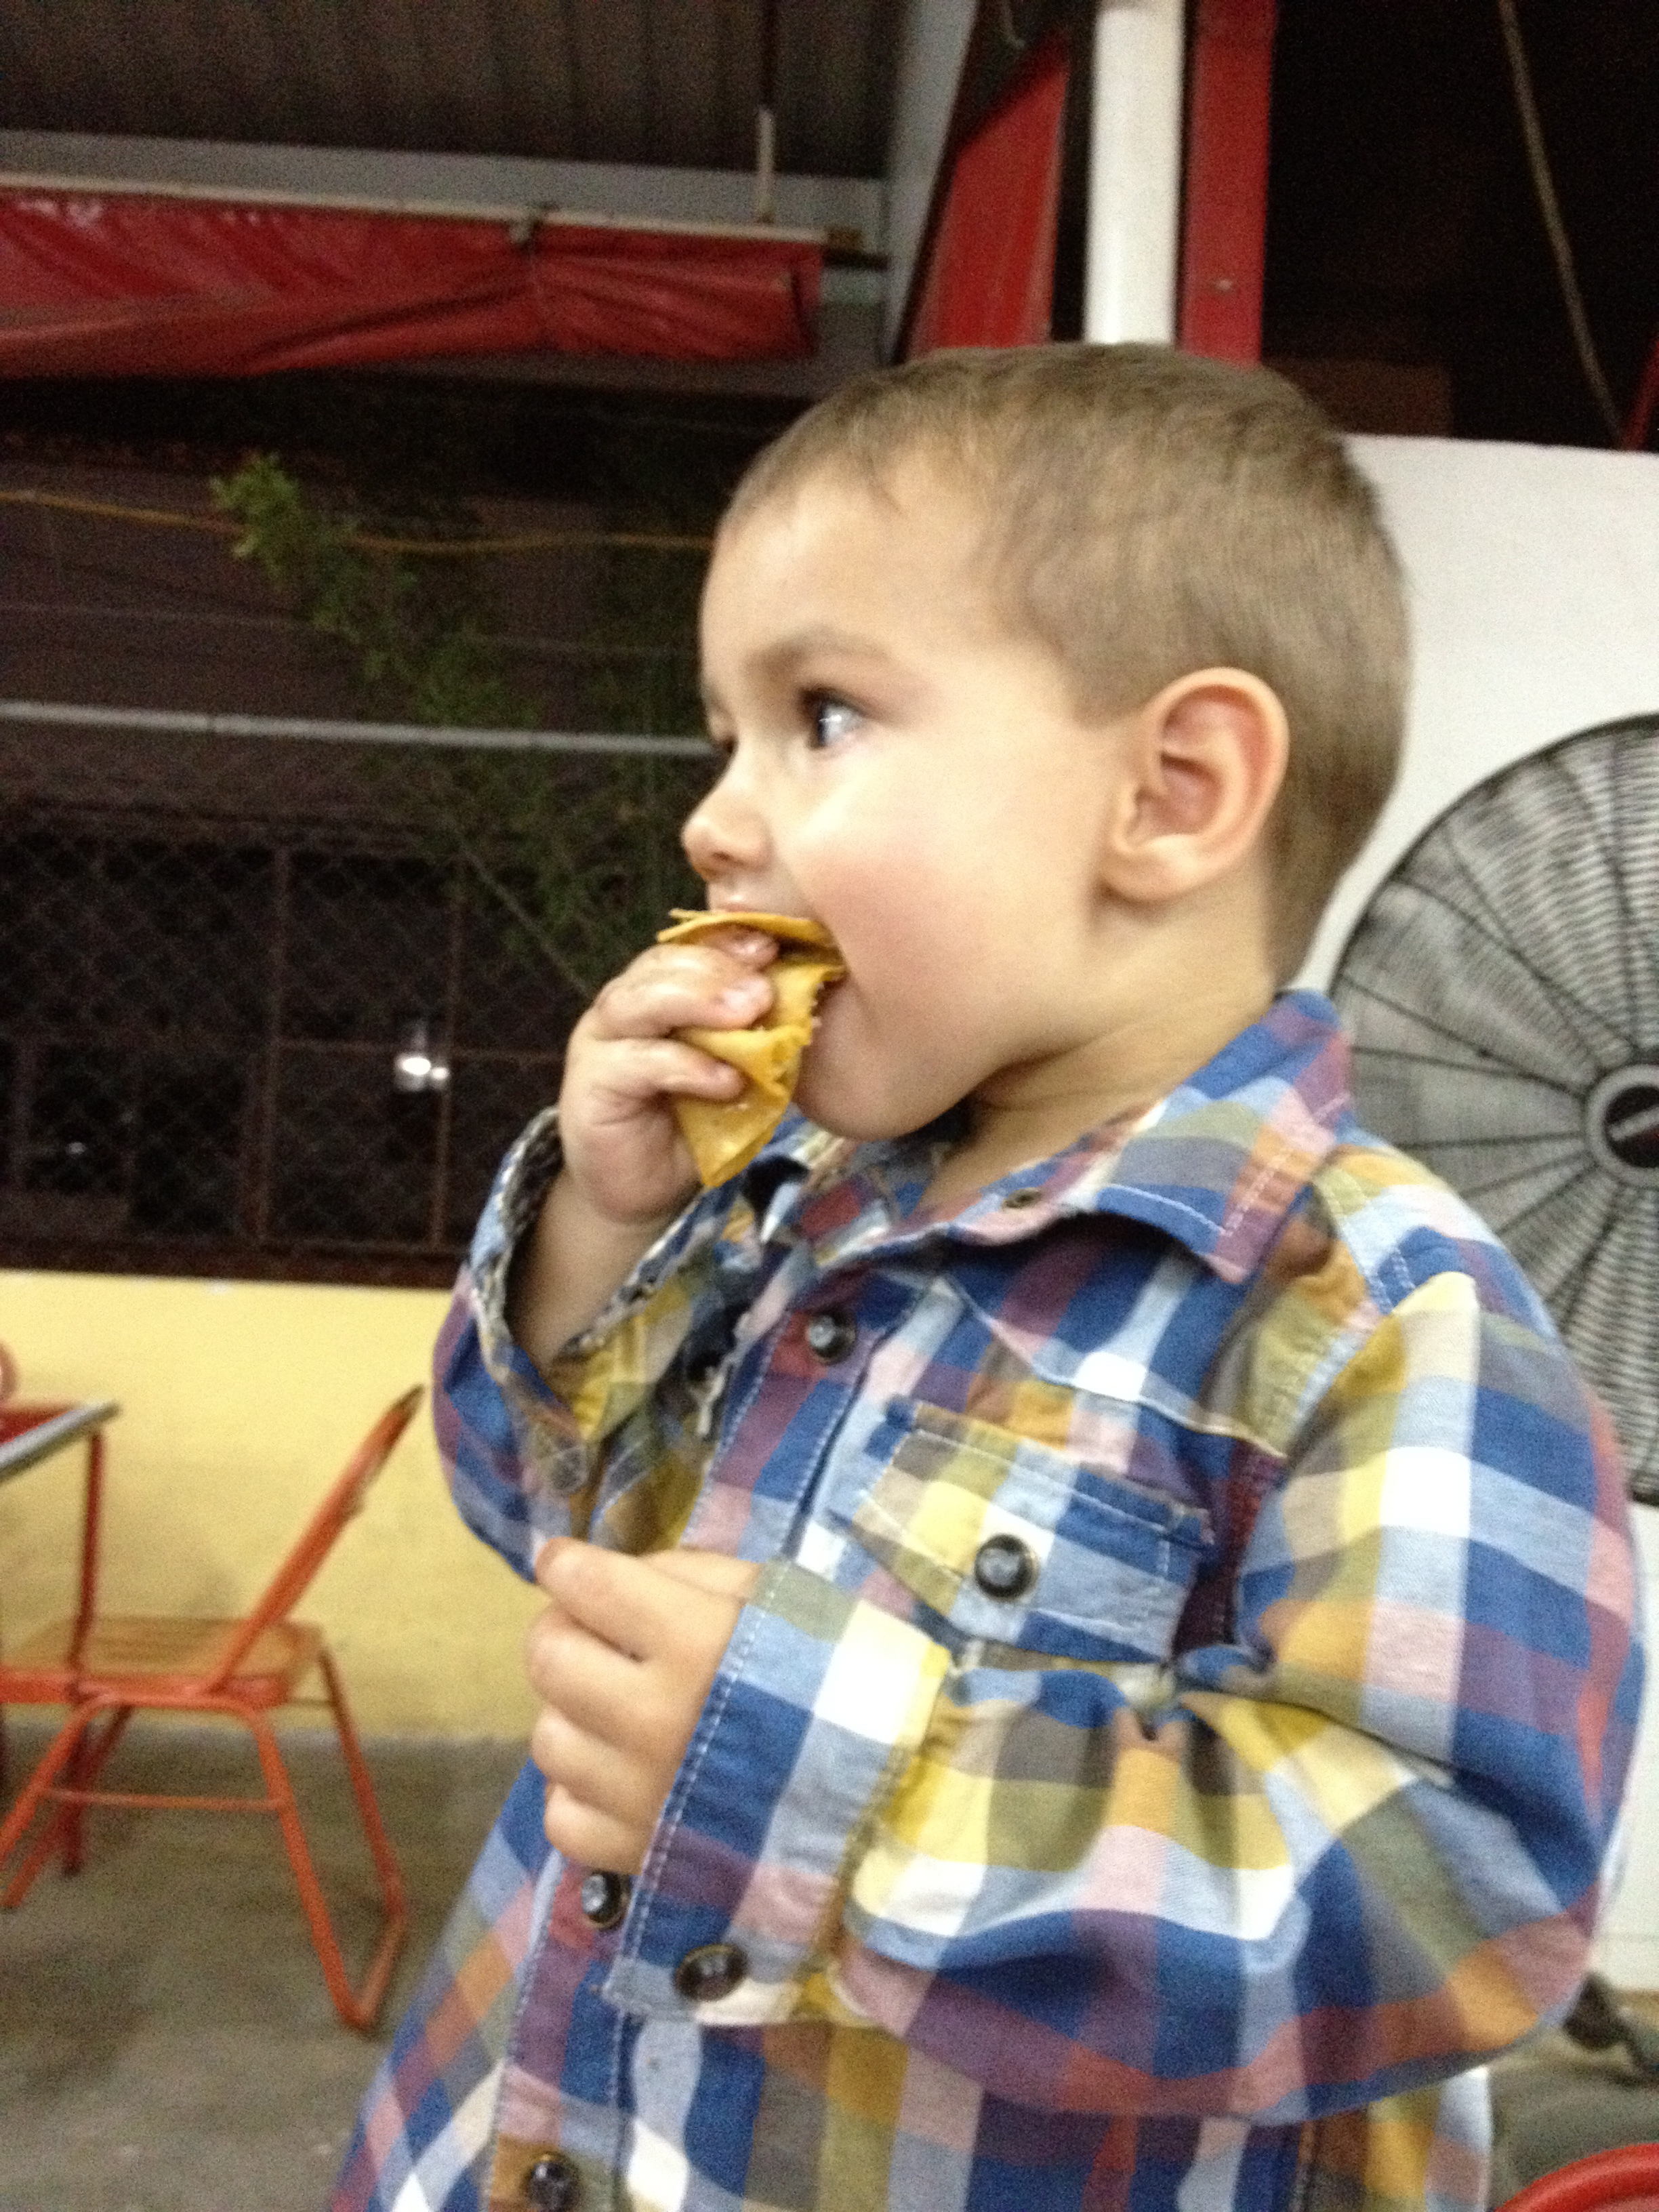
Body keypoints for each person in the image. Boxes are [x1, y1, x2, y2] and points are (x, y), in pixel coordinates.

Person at [334, 346, 1642, 2212]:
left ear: (1170, 794)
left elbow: (1457, 1912)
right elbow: (539, 1521)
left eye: (823, 716)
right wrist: (599, 1236)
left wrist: (822, 1779)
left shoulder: (1382, 1318)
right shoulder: (785, 1199)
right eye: (724, 735)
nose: (715, 821)